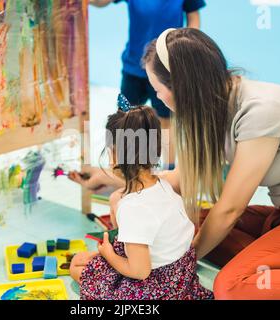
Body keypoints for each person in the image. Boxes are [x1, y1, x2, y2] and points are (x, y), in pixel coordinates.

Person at [70, 28, 280, 299]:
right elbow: (180, 179)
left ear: (181, 86)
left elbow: (230, 209)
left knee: (230, 285)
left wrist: (175, 268)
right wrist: (111, 180)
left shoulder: (262, 110)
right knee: (177, 228)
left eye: (157, 90)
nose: (159, 98)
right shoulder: (215, 106)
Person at [70, 97, 213, 300]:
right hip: (182, 273)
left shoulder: (132, 208)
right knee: (88, 258)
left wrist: (108, 254)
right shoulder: (162, 184)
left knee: (77, 266)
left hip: (156, 287)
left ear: (114, 156)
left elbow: (140, 272)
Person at [89, 0, 206, 169]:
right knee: (123, 116)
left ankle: (169, 168)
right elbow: (101, 2)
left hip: (166, 69)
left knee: (166, 120)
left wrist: (183, 51)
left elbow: (193, 17)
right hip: (133, 67)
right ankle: (119, 167)